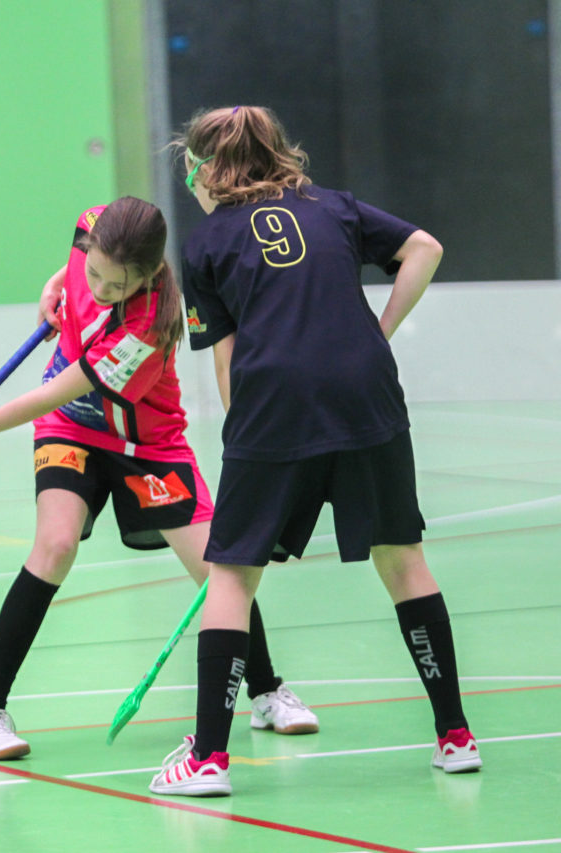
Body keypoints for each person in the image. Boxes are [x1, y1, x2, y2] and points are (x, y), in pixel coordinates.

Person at [148, 106, 481, 798]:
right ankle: (455, 736)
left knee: (231, 575)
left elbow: (227, 358)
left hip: (273, 408)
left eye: (189, 168)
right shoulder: (335, 207)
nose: (189, 181)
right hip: (367, 396)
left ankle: (207, 758)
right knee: (404, 559)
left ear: (210, 168)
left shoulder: (207, 242)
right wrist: (378, 331)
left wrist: (245, 446)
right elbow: (425, 248)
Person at [0, 196, 318, 761]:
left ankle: (266, 690)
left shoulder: (146, 328)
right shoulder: (94, 227)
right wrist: (54, 287)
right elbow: (72, 266)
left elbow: (54, 391)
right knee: (54, 546)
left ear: (148, 275)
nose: (100, 289)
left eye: (115, 284)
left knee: (218, 570)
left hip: (148, 445)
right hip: (70, 430)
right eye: (95, 274)